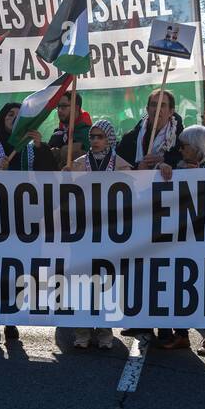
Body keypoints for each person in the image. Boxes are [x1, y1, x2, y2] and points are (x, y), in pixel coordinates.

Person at [154, 125, 205, 357]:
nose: (180, 150)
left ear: (197, 148)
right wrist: (161, 167)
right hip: (181, 238)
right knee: (180, 284)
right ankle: (181, 334)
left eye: (184, 146)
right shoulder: (178, 168)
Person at [65, 119, 128, 350]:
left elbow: (135, 187)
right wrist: (65, 176)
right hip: (82, 231)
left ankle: (105, 333)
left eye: (100, 136)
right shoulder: (78, 164)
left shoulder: (121, 165)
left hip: (109, 234)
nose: (95, 141)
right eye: (92, 137)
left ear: (109, 138)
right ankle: (81, 333)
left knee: (107, 282)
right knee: (80, 280)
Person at [0, 101, 56, 171]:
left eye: (19, 117)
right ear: (2, 119)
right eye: (11, 115)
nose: (15, 118)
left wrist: (40, 148)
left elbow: (51, 173)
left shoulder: (35, 146)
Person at [119, 88, 184, 169]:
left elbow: (185, 162)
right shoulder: (129, 139)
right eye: (153, 105)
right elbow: (119, 165)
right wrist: (137, 168)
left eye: (162, 105)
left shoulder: (182, 140)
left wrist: (164, 160)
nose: (157, 109)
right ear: (147, 109)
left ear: (171, 112)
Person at [47, 95, 90, 162]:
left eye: (64, 106)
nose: (60, 110)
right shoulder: (57, 133)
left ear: (76, 108)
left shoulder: (88, 133)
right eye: (58, 106)